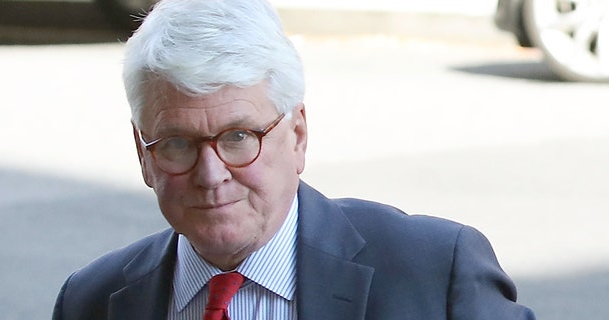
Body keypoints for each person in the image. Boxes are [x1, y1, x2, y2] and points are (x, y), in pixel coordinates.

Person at [52, 0, 535, 319]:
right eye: (177, 143)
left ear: (298, 134)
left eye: (238, 137)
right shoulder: (92, 302)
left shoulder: (435, 275)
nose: (211, 175)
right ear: (143, 153)